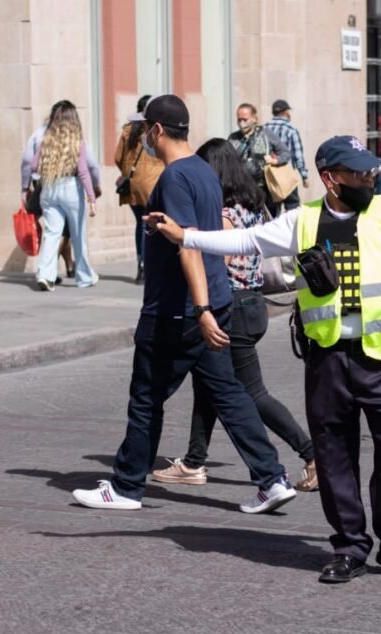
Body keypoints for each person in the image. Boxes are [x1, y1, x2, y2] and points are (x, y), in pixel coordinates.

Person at [149, 134, 381, 583]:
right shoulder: (303, 220)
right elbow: (246, 241)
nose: (369, 177)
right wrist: (186, 236)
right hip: (328, 359)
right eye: (358, 172)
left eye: (371, 170)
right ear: (330, 179)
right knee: (333, 457)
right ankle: (349, 545)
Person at [71, 94, 296, 514]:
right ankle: (272, 478)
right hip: (211, 300)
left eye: (144, 131)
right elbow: (189, 231)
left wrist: (202, 308)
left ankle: (125, 487)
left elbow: (189, 246)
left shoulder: (174, 177)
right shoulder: (203, 172)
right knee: (229, 394)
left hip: (179, 311)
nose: (143, 138)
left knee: (146, 397)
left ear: (157, 130)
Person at [150, 138, 318, 492]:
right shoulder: (252, 206)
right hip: (255, 304)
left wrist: (201, 306)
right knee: (210, 384)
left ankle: (312, 454)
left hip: (235, 307)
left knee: (248, 392)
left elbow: (217, 265)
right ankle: (194, 461)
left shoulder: (225, 216)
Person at [21, 102, 103, 282]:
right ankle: (85, 276)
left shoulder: (46, 140)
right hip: (71, 187)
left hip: (48, 188)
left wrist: (32, 182)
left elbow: (33, 165)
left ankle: (45, 275)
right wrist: (91, 198)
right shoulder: (77, 141)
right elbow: (83, 171)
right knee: (78, 235)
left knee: (52, 234)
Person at [114, 94, 165, 283]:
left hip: (134, 184)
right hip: (153, 182)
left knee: (140, 224)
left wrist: (128, 172)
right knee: (151, 225)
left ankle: (141, 263)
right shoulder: (154, 130)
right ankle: (148, 264)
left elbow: (118, 158)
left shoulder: (128, 131)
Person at [228, 103, 290, 207]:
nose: (242, 123)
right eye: (239, 120)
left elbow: (285, 153)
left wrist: (274, 160)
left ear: (254, 119)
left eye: (245, 119)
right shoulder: (233, 138)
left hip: (265, 188)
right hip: (241, 190)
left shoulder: (266, 134)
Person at [264, 99, 310, 216]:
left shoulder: (264, 128)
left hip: (269, 176)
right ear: (286, 112)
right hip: (286, 175)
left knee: (272, 211)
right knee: (293, 209)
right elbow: (298, 155)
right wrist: (304, 176)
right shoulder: (291, 129)